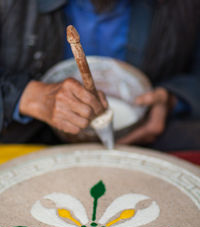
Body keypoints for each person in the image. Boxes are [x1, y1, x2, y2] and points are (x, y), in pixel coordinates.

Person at [0, 0, 200, 150]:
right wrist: (27, 97)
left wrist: (173, 98)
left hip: (141, 137)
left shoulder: (183, 7)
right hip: (29, 138)